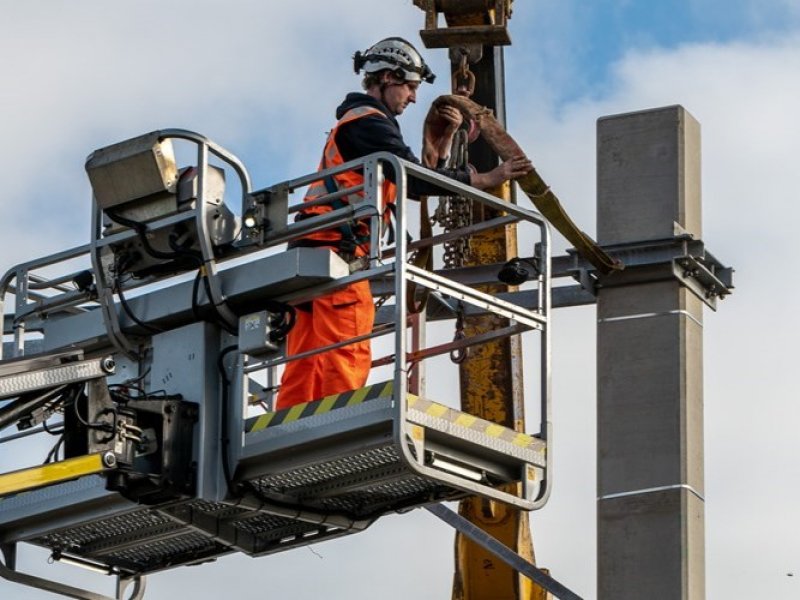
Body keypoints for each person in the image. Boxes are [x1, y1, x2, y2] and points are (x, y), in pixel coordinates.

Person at [276, 37, 532, 409]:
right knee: (345, 347)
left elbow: (411, 182)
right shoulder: (370, 123)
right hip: (338, 252)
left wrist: (441, 145)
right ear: (387, 78)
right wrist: (490, 178)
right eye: (409, 86)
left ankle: (292, 423)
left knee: (308, 354)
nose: (412, 98)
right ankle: (339, 425)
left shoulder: (361, 124)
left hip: (311, 251)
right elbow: (415, 178)